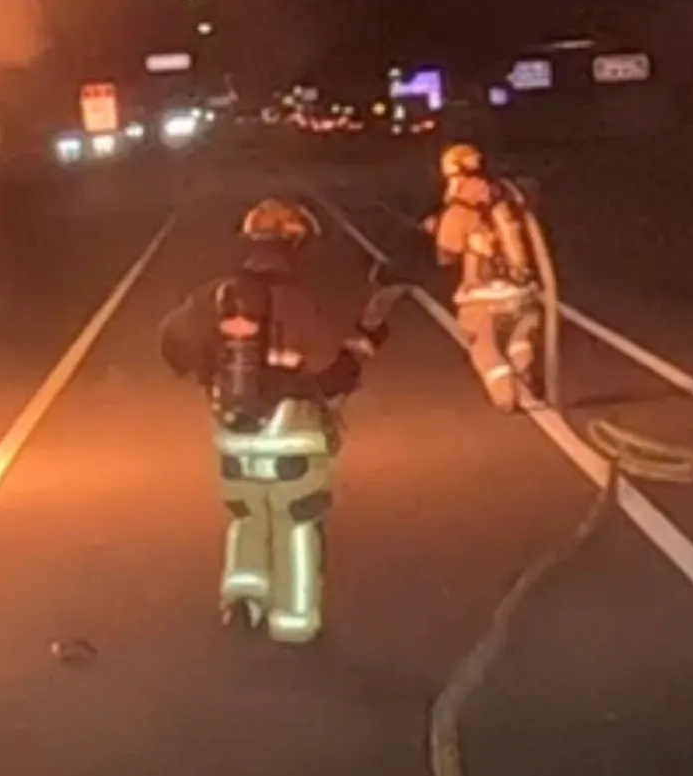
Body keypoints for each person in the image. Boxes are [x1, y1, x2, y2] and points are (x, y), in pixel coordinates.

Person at [158, 199, 401, 641]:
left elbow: (171, 341)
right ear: (296, 244)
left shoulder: (214, 295)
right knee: (296, 523)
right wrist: (368, 337)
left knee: (247, 516)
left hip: (234, 431)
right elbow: (333, 375)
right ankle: (294, 622)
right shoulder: (303, 301)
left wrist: (212, 377)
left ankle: (243, 597)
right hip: (294, 435)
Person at [430, 143, 544, 413]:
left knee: (483, 345)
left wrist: (437, 229)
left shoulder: (458, 212)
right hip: (522, 292)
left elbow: (446, 256)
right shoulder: (508, 200)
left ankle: (505, 395)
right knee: (521, 337)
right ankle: (526, 375)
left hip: (483, 297)